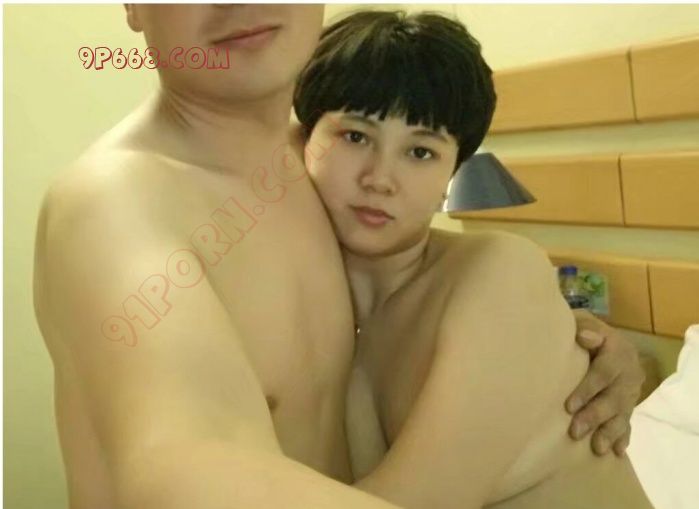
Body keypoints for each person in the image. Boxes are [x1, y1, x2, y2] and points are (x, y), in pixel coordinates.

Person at [32, 5, 643, 509]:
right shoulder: (116, 202)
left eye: (421, 153)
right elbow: (185, 463)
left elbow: (429, 286)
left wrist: (565, 335)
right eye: (356, 137)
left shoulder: (307, 164)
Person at [294, 10, 653, 508]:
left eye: (421, 152)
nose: (380, 179)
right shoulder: (302, 306)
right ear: (302, 140)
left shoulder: (500, 273)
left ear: (453, 172)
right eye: (355, 136)